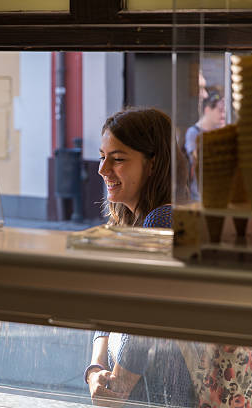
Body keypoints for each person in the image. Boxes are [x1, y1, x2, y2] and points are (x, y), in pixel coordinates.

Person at [88, 107, 194, 406]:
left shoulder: (163, 219)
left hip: (159, 390)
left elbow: (149, 316)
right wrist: (95, 368)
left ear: (153, 165)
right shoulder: (130, 222)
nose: (103, 169)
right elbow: (107, 310)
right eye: (102, 156)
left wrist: (117, 384)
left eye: (118, 159)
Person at [184, 89, 226, 200]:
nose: (223, 114)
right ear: (207, 110)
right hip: (199, 194)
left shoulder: (221, 131)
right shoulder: (193, 133)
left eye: (224, 111)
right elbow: (197, 159)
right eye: (220, 110)